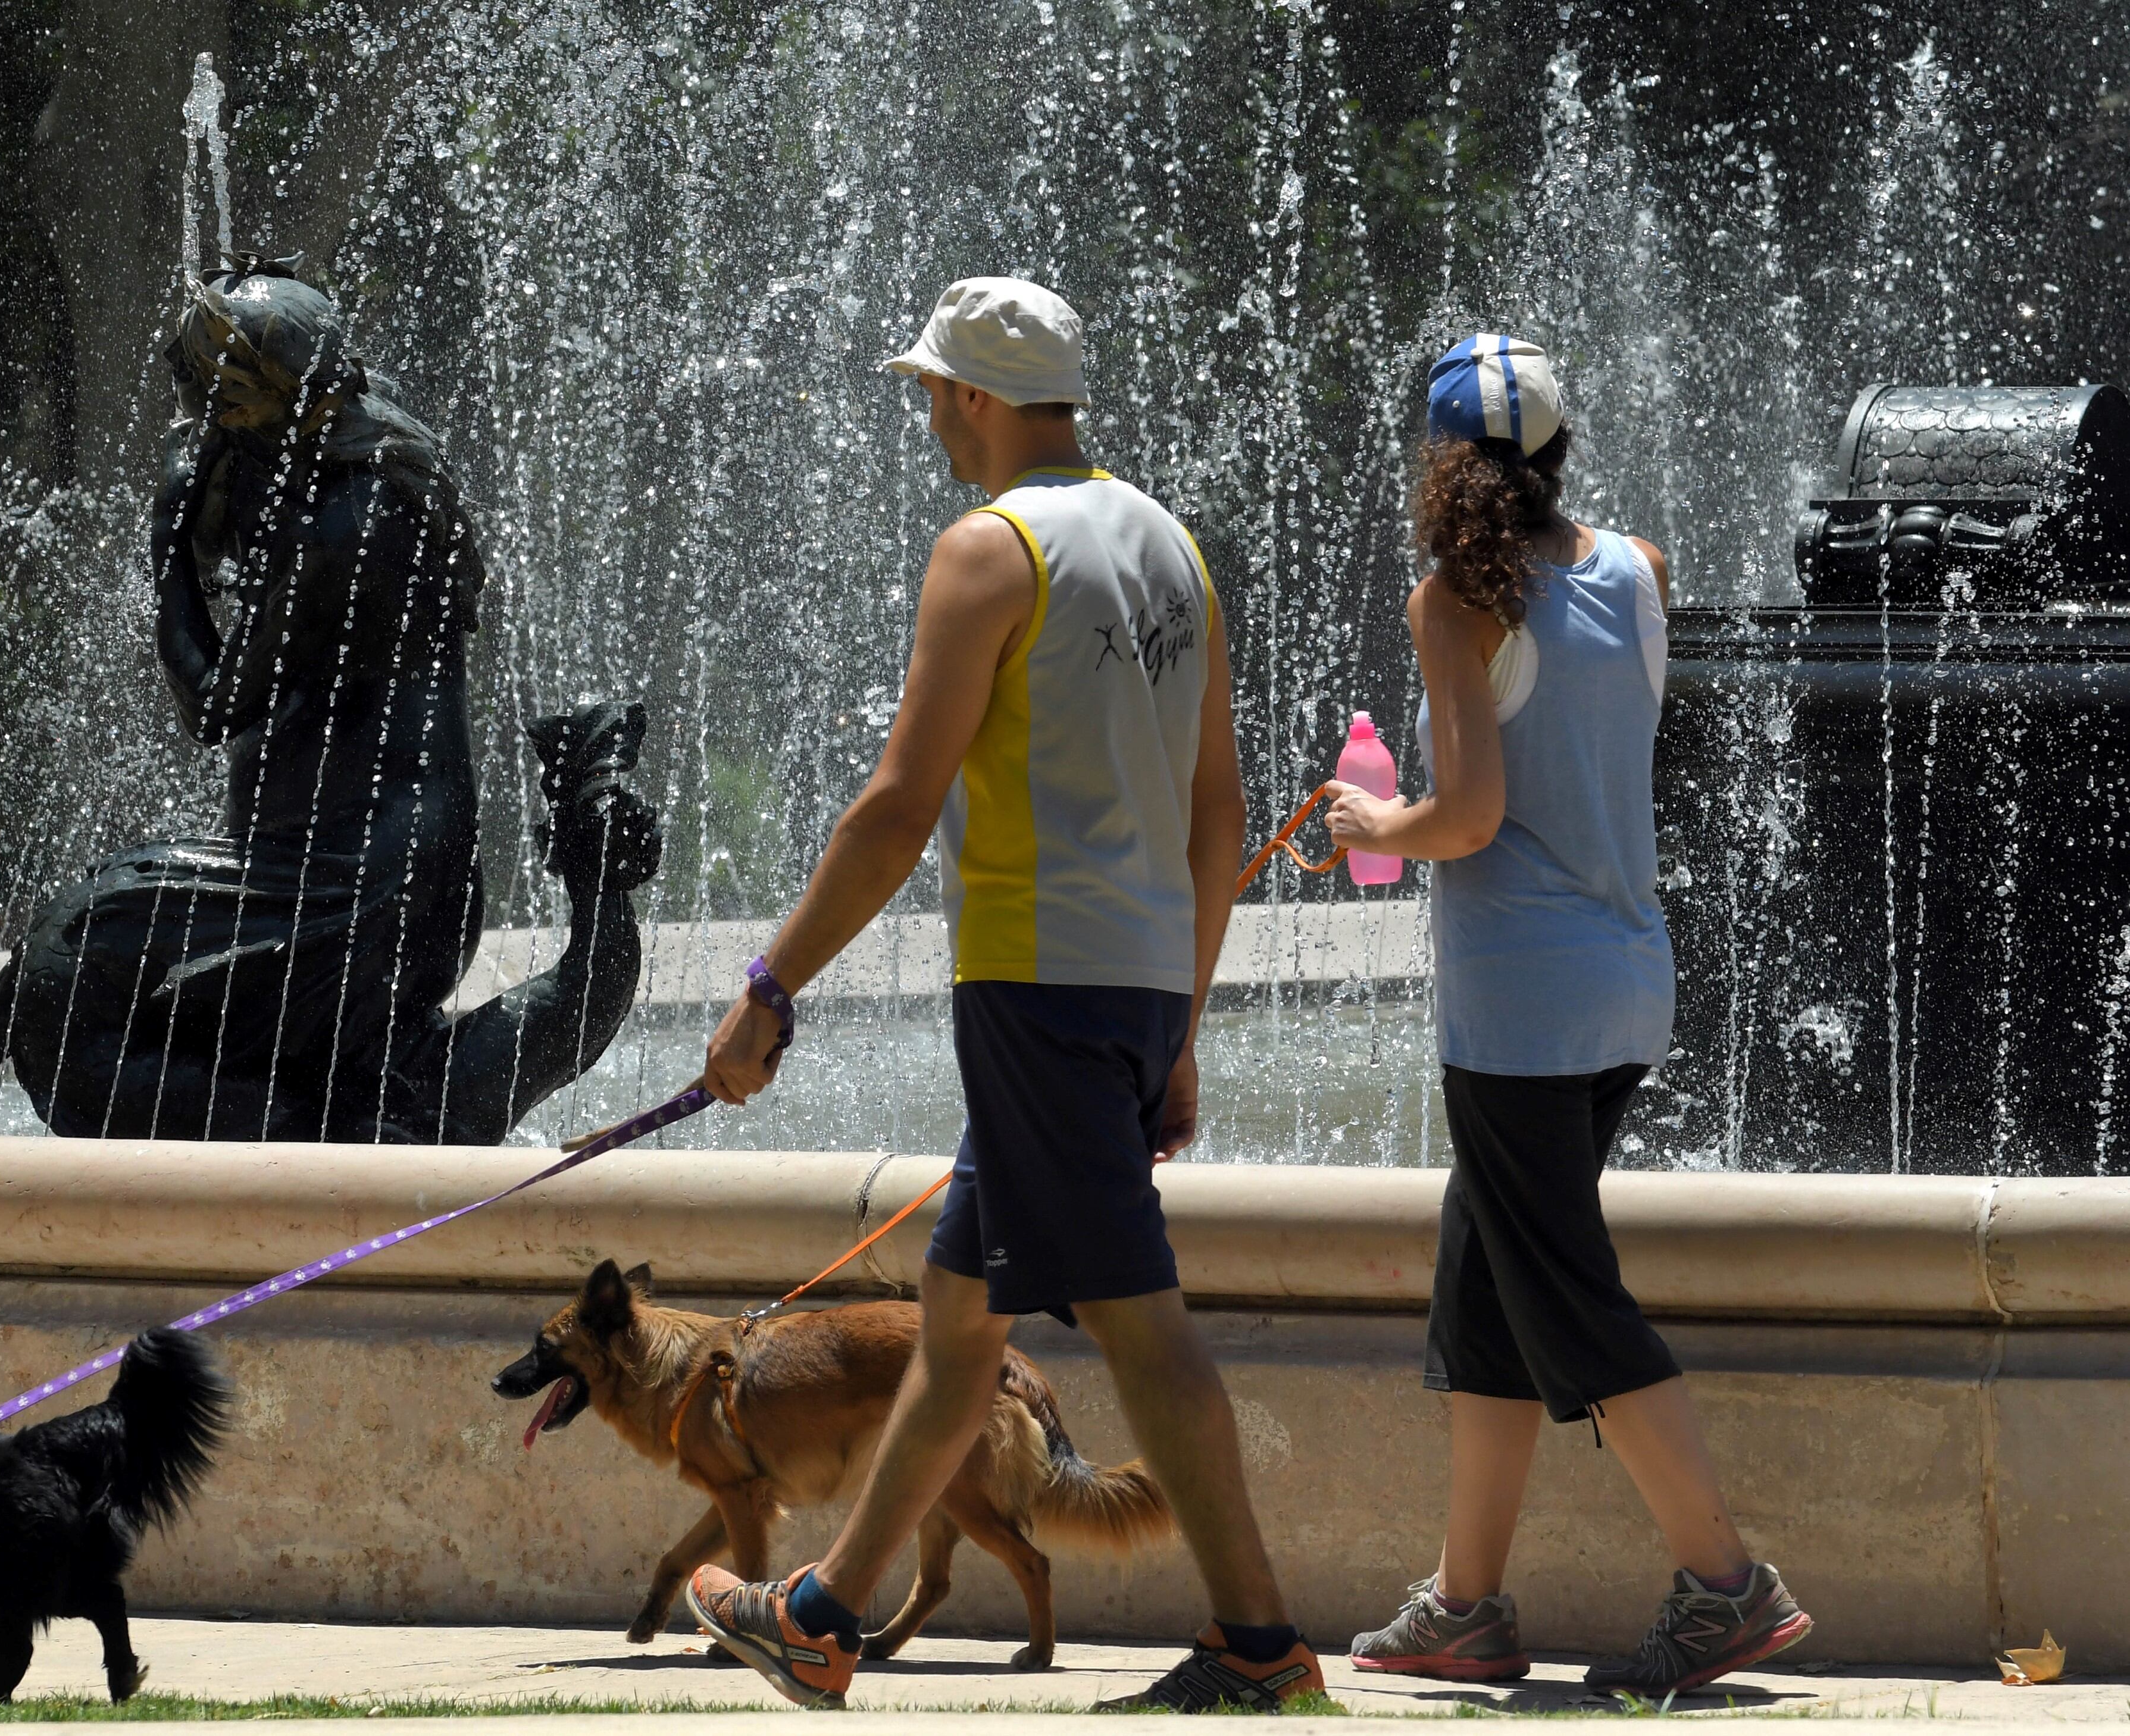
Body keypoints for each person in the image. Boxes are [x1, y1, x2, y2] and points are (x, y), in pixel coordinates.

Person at [680, 276, 1321, 1714]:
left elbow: (899, 807)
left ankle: (1263, 1646)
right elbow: (1222, 815)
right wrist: (1186, 1024)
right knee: (961, 1319)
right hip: (1135, 980)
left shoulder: (989, 550)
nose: (927, 416)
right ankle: (827, 1614)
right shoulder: (1172, 548)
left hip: (1038, 981)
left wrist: (770, 987)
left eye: (932, 392)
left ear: (973, 394)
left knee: (1140, 1322)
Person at [1321, 336, 1812, 1694]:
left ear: (1445, 465)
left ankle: (1726, 1586)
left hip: (1517, 1008)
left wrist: (1373, 820)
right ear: (1557, 454)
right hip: (1626, 980)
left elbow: (1468, 817)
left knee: (1567, 1293)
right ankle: (1466, 1604)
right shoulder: (1638, 569)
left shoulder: (1455, 603)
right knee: (1486, 1281)